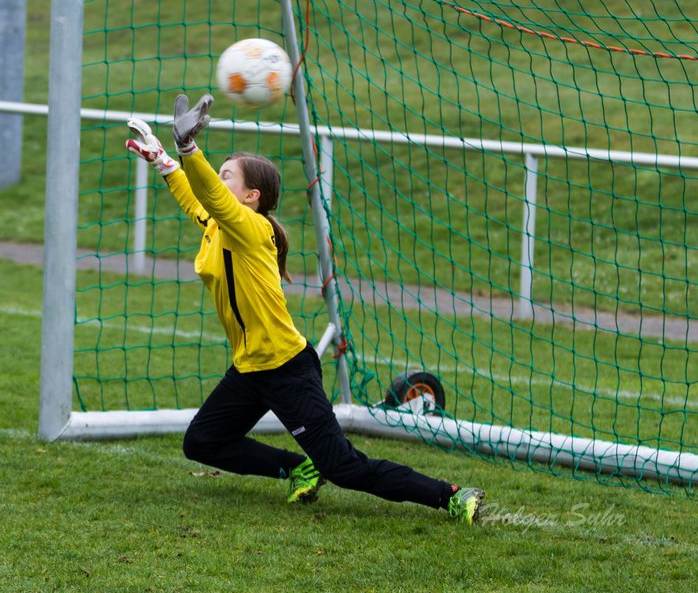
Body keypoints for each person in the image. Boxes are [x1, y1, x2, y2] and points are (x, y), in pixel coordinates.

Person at [124, 94, 487, 524]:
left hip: (286, 369)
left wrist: (189, 150)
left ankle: (451, 495)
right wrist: (165, 160)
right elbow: (196, 200)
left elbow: (210, 198)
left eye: (226, 178)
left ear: (251, 196)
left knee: (347, 467)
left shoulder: (252, 228)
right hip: (249, 369)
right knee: (202, 441)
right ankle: (298, 468)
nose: (216, 185)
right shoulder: (220, 225)